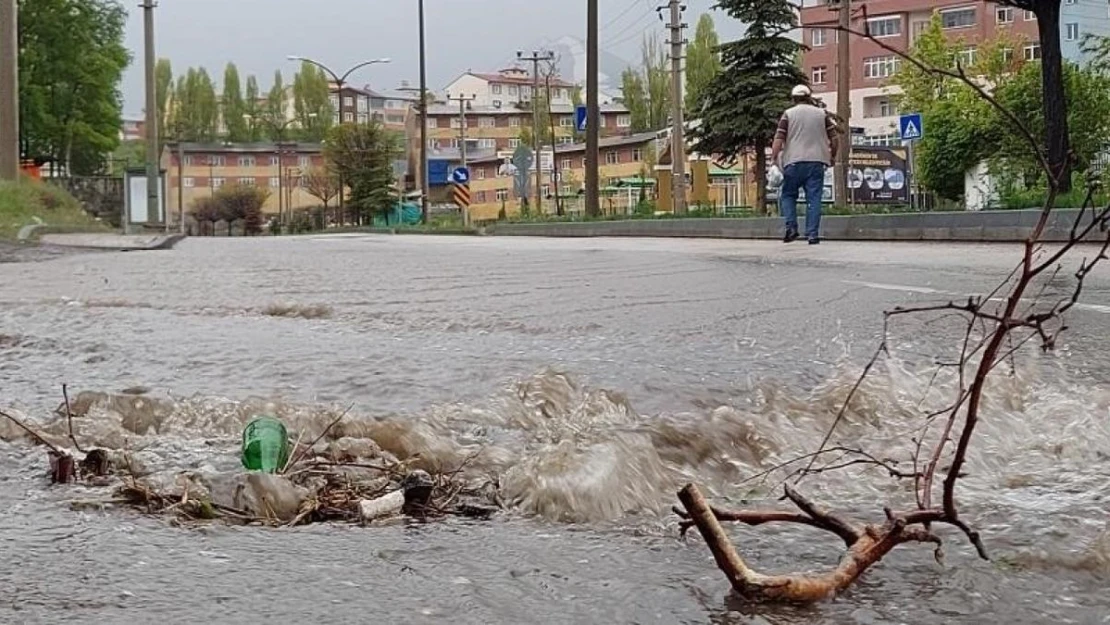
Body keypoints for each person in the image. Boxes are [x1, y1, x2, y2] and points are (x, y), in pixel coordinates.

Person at [769, 84, 839, 245]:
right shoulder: (821, 114)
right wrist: (832, 156)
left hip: (793, 162)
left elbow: (779, 139)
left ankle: (791, 227)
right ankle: (812, 234)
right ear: (809, 97)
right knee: (814, 199)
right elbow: (834, 139)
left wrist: (773, 159)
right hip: (817, 162)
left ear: (794, 99)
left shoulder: (788, 114)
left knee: (788, 195)